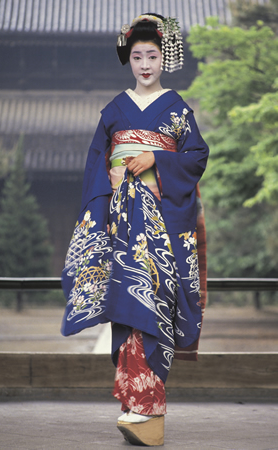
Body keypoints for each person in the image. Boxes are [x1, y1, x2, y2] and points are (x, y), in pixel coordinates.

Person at [61, 13, 209, 447]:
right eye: (138, 56)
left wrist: (156, 161)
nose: (145, 64)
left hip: (162, 226)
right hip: (124, 221)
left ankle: (149, 406)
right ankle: (133, 403)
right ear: (129, 59)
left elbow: (197, 155)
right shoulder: (114, 109)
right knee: (126, 304)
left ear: (165, 59)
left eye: (153, 56)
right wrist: (104, 199)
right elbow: (95, 163)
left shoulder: (178, 107)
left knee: (156, 301)